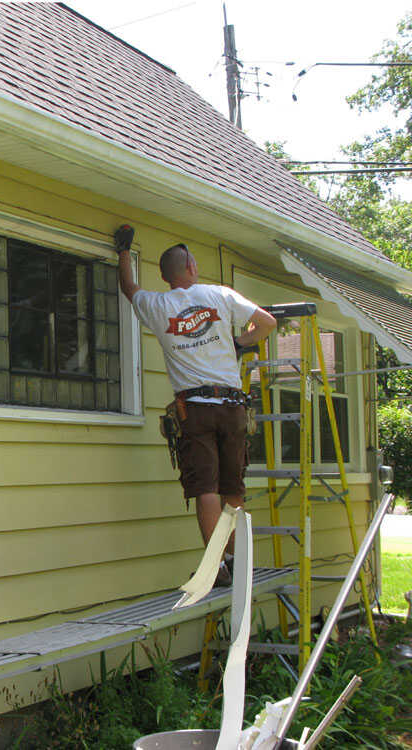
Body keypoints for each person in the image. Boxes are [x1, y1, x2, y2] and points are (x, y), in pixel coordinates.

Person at [113, 226, 277, 584]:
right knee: (232, 489)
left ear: (165, 275)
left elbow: (129, 288)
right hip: (232, 405)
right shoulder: (219, 294)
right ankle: (236, 562)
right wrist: (240, 342)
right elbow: (267, 323)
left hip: (195, 409)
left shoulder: (158, 305)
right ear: (190, 266)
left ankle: (216, 567)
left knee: (206, 488)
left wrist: (124, 250)